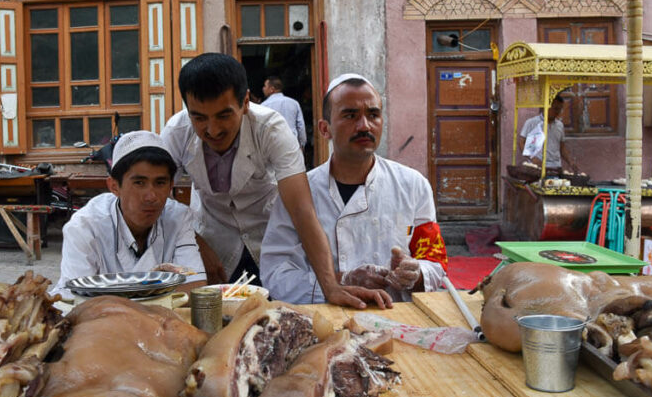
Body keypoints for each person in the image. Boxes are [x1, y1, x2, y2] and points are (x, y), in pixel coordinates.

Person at [161, 53, 390, 309]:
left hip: (266, 236)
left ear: (246, 101)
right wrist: (196, 243)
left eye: (224, 116)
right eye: (199, 118)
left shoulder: (271, 129)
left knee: (271, 318)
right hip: (211, 235)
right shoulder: (177, 132)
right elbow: (158, 197)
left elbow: (302, 209)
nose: (212, 130)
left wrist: (330, 287)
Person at [261, 73, 447, 304]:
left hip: (397, 318)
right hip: (325, 319)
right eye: (350, 115)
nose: (364, 126)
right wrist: (341, 281)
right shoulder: (298, 192)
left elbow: (435, 263)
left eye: (373, 115)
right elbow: (276, 275)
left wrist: (415, 274)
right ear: (324, 129)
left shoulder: (412, 185)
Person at [51, 130, 205, 300]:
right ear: (114, 186)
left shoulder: (179, 217)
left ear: (170, 187)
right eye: (139, 183)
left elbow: (195, 287)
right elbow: (77, 301)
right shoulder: (85, 227)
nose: (151, 196)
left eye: (160, 183)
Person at [518, 93, 579, 175]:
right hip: (537, 167)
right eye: (556, 108)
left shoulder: (560, 125)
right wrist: (532, 158)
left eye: (560, 109)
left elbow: (562, 148)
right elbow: (521, 143)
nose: (558, 112)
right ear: (547, 106)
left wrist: (570, 162)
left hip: (556, 167)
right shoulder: (531, 123)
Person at [261, 76, 306, 149]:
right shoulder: (294, 103)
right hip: (292, 145)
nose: (263, 88)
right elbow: (301, 127)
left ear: (272, 89)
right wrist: (302, 144)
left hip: (272, 146)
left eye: (265, 86)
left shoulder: (263, 106)